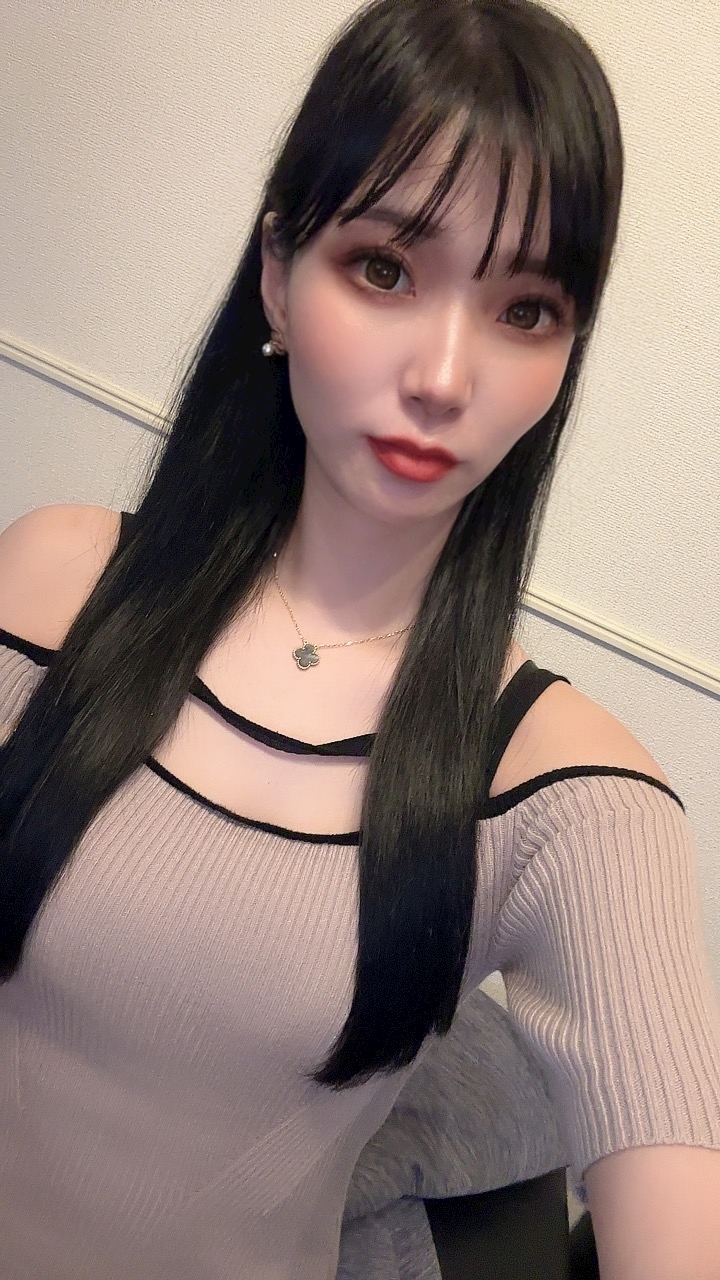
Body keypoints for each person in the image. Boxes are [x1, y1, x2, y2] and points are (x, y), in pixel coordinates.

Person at [0, 0, 718, 1276]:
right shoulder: (50, 582)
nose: (444, 374)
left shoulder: (571, 797)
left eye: (527, 309)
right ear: (279, 271)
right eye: (386, 269)